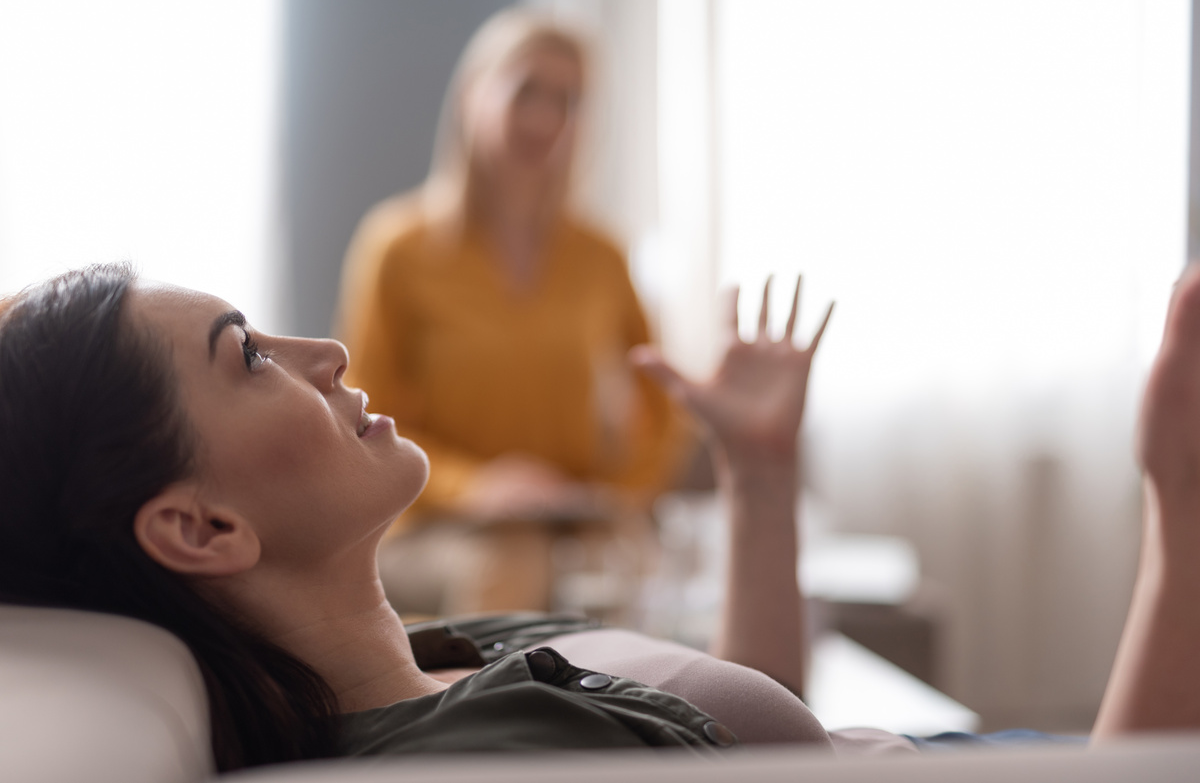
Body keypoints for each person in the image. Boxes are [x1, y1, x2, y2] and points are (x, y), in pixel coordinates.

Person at [1, 264, 1198, 774]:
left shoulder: (442, 667)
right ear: (201, 529)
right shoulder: (484, 764)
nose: (327, 352)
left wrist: (760, 484)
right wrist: (1182, 506)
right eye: (249, 355)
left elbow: (746, 742)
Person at [334, 9, 687, 615]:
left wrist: (619, 495)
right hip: (440, 524)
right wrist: (478, 486)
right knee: (514, 557)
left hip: (571, 522)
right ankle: (490, 710)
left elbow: (664, 398)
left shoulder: (601, 257)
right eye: (527, 91)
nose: (546, 118)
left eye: (568, 100)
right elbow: (361, 418)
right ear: (474, 96)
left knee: (631, 569)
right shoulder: (397, 246)